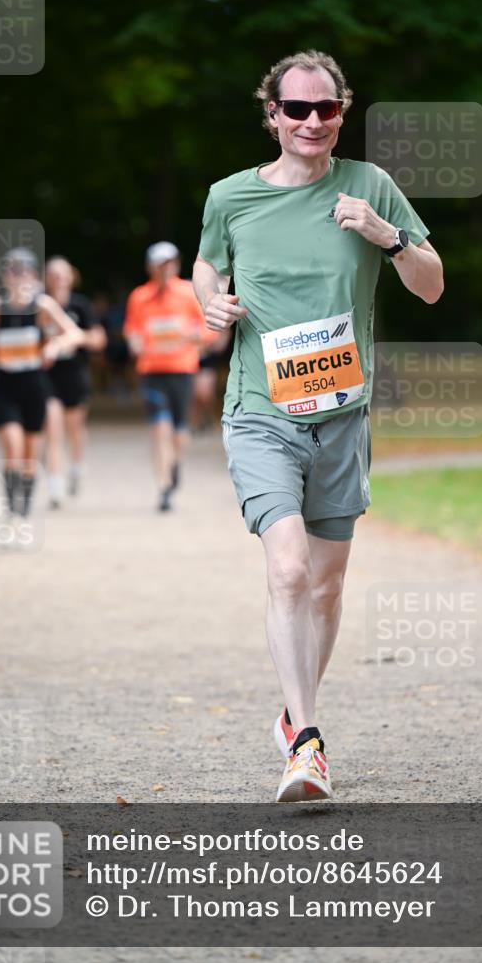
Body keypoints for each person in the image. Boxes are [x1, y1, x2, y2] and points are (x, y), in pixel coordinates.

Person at [193, 50, 443, 802]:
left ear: (342, 112)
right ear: (271, 114)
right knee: (289, 569)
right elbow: (206, 269)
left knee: (327, 590)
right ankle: (307, 742)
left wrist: (386, 236)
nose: (310, 121)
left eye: (324, 109)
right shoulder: (230, 197)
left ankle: (294, 713)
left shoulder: (370, 187)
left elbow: (430, 287)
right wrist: (211, 303)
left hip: (341, 415)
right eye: (295, 109)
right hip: (260, 411)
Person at [0, 248, 82, 539]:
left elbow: (73, 333)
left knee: (31, 454)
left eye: (23, 271)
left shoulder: (42, 305)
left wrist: (54, 347)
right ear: (4, 276)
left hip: (34, 386)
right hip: (4, 386)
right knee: (12, 446)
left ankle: (24, 512)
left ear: (33, 276)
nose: (17, 276)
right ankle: (11, 512)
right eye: (12, 271)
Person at [123, 241, 208, 512]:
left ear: (176, 265)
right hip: (151, 371)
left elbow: (208, 328)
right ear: (150, 267)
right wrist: (134, 341)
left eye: (169, 263)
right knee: (159, 428)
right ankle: (163, 487)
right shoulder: (139, 296)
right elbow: (132, 329)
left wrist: (196, 336)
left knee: (180, 432)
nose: (165, 269)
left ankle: (174, 466)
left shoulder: (188, 293)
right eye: (160, 264)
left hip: (182, 370)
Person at [43, 257, 107, 508]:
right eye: (54, 274)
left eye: (63, 273)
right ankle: (55, 485)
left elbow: (98, 340)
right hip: (46, 376)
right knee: (52, 428)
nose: (59, 278)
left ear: (72, 277)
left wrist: (75, 338)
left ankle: (77, 466)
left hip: (74, 374)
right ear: (46, 278)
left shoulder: (80, 306)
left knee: (74, 428)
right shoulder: (40, 305)